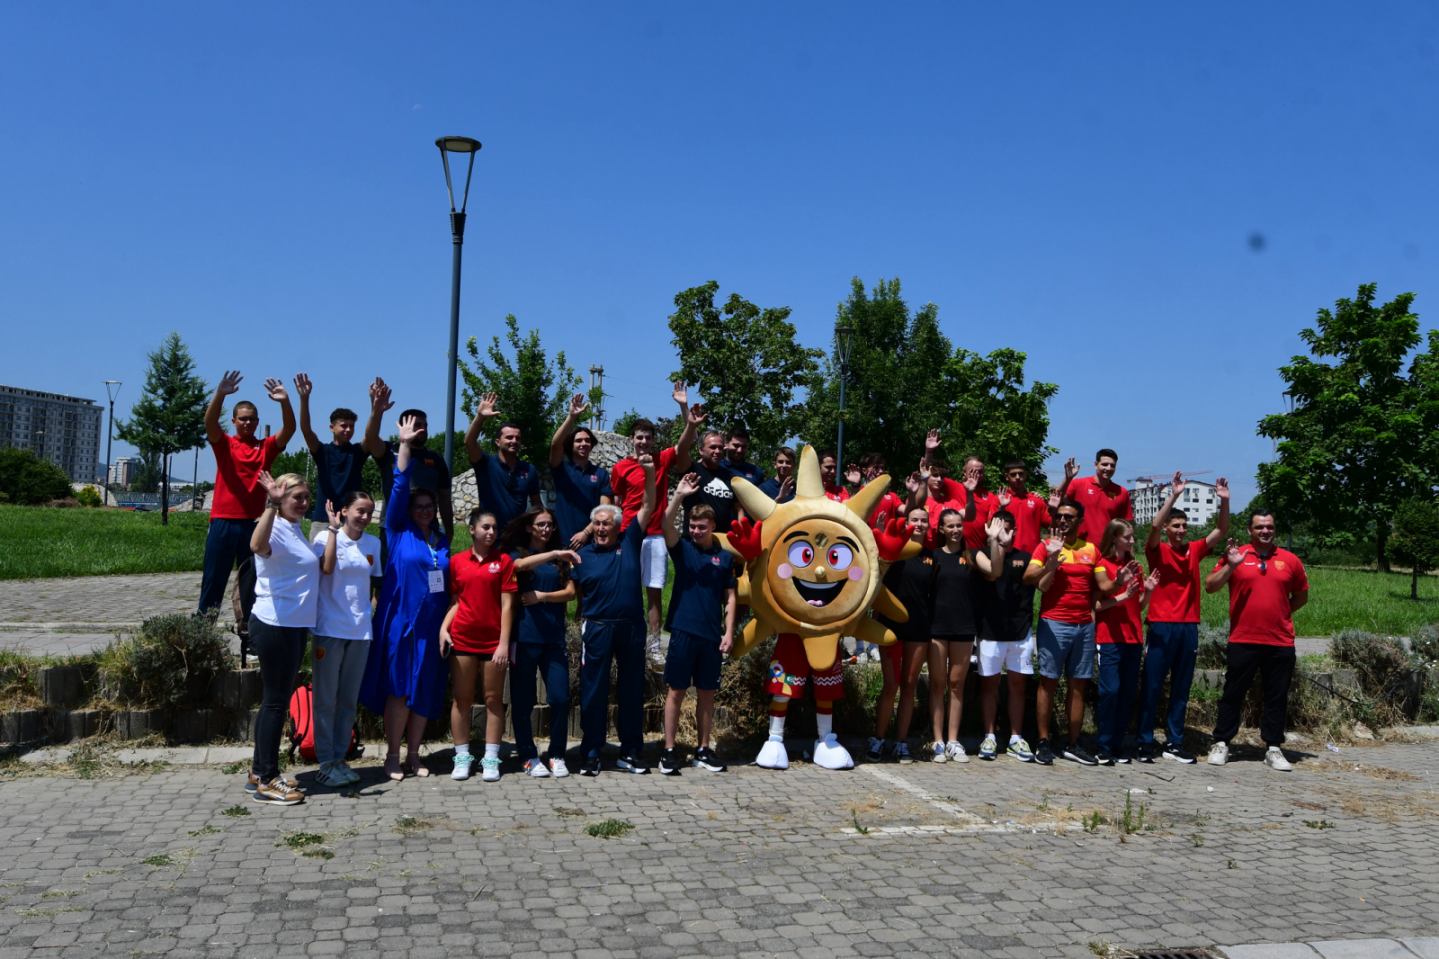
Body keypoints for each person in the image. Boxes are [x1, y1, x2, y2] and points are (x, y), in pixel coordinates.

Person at [359, 414, 451, 781]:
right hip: (400, 621)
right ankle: (393, 756)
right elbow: (399, 486)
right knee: (398, 689)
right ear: (410, 511)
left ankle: (415, 754)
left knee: (424, 688)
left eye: (430, 507)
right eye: (420, 507)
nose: (426, 511)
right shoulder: (398, 531)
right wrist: (404, 445)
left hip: (431, 626)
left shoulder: (440, 540)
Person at [570, 455, 658, 776]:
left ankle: (630, 752)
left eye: (607, 523)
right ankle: (592, 752)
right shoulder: (582, 556)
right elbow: (573, 594)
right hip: (597, 628)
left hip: (631, 628)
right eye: (597, 523)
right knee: (593, 691)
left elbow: (648, 504)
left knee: (631, 690)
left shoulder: (630, 540)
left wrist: (649, 473)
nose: (602, 528)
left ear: (618, 525)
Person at [1136, 472, 1231, 764]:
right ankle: (1144, 741)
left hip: (1188, 627)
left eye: (1184, 526)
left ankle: (1174, 742)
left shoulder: (1194, 550)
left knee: (1181, 687)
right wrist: (1174, 495)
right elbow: (1153, 526)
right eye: (1176, 525)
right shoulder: (1157, 550)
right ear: (1167, 528)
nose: (1181, 530)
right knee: (1152, 686)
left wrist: (1224, 501)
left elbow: (1221, 530)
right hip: (1161, 626)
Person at [1205, 512, 1309, 772]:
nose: (1265, 531)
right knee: (1233, 693)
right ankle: (1221, 742)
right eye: (1259, 527)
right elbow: (1210, 586)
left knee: (1277, 696)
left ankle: (1273, 747)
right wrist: (1231, 565)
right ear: (1250, 530)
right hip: (1243, 638)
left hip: (1280, 640)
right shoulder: (1236, 555)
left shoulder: (1290, 560)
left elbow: (1301, 596)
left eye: (1270, 527)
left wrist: (1280, 614)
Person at [197, 371, 294, 628]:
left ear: (258, 421)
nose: (247, 423)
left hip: (253, 525)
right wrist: (220, 394)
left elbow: (289, 430)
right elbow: (209, 423)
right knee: (213, 581)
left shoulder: (265, 448)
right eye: (243, 419)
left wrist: (285, 401)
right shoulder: (225, 444)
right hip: (223, 522)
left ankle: (249, 634)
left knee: (251, 583)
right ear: (234, 421)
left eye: (252, 419)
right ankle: (202, 631)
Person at [610, 382, 700, 655]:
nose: (644, 442)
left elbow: (687, 442)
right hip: (628, 533)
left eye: (648, 438)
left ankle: (653, 644)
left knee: (654, 590)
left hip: (656, 535)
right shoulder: (620, 467)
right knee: (625, 587)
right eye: (639, 437)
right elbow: (617, 502)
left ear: (653, 441)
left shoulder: (661, 459)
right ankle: (626, 638)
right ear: (632, 439)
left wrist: (684, 407)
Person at [657, 473, 738, 775]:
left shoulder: (725, 558)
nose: (695, 531)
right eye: (692, 526)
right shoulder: (683, 549)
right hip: (683, 631)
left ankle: (703, 749)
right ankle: (668, 751)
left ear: (713, 526)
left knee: (707, 694)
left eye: (701, 527)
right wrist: (678, 496)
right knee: (676, 692)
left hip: (711, 636)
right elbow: (666, 525)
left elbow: (730, 598)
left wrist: (728, 633)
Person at [245, 471, 317, 806]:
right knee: (275, 703)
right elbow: (257, 546)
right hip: (275, 623)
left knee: (273, 700)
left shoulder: (294, 527)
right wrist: (271, 506)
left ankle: (259, 771)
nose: (303, 502)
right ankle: (268, 779)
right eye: (296, 497)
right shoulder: (273, 523)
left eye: (306, 497)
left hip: (293, 624)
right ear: (280, 498)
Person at [310, 490, 382, 789]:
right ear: (344, 511)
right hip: (329, 629)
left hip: (360, 631)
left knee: (348, 700)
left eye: (369, 512)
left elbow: (375, 584)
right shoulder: (325, 538)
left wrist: (368, 612)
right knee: (325, 699)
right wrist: (332, 529)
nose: (364, 517)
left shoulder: (373, 544)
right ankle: (325, 762)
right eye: (359, 511)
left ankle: (340, 758)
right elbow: (324, 570)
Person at [439, 509, 516, 783]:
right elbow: (456, 601)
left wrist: (503, 644)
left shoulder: (504, 561)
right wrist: (443, 628)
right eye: (485, 527)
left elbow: (508, 606)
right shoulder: (457, 562)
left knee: (493, 699)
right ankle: (462, 757)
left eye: (494, 527)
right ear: (472, 529)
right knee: (462, 699)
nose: (491, 532)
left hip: (494, 643)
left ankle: (491, 758)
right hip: (462, 640)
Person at [502, 510, 581, 778]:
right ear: (529, 527)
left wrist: (542, 596)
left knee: (560, 698)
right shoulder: (519, 553)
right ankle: (528, 755)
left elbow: (570, 593)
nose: (547, 529)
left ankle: (557, 754)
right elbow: (518, 567)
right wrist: (556, 553)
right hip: (525, 638)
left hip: (553, 639)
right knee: (523, 701)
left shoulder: (561, 560)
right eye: (541, 524)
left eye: (550, 525)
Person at [1023, 500, 1101, 766]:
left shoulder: (1091, 549)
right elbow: (1029, 576)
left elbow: (1102, 584)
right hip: (1054, 623)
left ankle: (1073, 743)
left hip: (1084, 625)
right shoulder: (1045, 545)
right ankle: (1043, 742)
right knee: (1048, 682)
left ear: (1080, 521)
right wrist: (1052, 560)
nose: (1063, 521)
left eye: (1069, 517)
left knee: (1079, 684)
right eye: (1059, 516)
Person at [869, 506, 935, 763]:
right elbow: (876, 576)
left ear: (929, 525)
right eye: (914, 519)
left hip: (919, 628)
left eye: (923, 520)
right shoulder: (893, 550)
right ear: (906, 522)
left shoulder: (931, 556)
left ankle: (901, 742)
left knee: (909, 686)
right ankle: (878, 739)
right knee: (891, 685)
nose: (919, 524)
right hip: (890, 626)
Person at [1092, 520, 1159, 765]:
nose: (1132, 541)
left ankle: (1117, 745)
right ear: (1114, 538)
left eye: (1132, 537)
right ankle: (1103, 745)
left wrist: (1148, 591)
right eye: (1127, 537)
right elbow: (1096, 604)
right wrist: (1121, 590)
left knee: (1127, 693)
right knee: (1110, 691)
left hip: (1133, 637)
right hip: (1109, 638)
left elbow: (1137, 605)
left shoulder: (1135, 566)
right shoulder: (1102, 564)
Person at [975, 509, 1037, 762]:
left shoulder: (1025, 557)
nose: (1003, 534)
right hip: (990, 633)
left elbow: (1042, 583)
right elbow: (995, 572)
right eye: (999, 529)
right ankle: (989, 736)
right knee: (989, 686)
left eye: (1007, 529)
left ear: (1015, 531)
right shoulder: (979, 554)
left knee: (1018, 687)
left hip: (1020, 633)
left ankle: (1015, 738)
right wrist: (995, 543)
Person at [293, 373, 378, 528]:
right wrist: (304, 398)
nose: (348, 429)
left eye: (351, 426)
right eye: (343, 426)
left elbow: (371, 435)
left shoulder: (357, 452)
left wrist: (375, 405)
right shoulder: (322, 451)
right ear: (332, 427)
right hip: (323, 519)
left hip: (351, 520)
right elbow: (306, 430)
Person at [465, 393, 543, 535]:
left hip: (517, 536)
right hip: (489, 535)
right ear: (498, 442)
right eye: (509, 437)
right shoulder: (485, 464)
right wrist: (480, 417)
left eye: (517, 438)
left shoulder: (529, 469)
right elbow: (469, 442)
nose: (514, 441)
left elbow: (536, 504)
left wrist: (539, 526)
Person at [548, 393, 614, 547]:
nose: (583, 443)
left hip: (591, 541)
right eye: (578, 441)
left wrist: (585, 533)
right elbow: (555, 445)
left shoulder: (601, 474)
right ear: (571, 445)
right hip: (561, 540)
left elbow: (604, 508)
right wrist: (571, 417)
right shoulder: (561, 468)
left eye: (587, 440)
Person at [377, 406, 453, 538]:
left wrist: (449, 530)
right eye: (417, 425)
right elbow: (370, 438)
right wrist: (376, 411)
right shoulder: (389, 451)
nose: (423, 429)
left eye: (425, 425)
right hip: (395, 528)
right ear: (403, 426)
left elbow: (444, 497)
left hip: (428, 527)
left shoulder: (435, 458)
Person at [1062, 449, 1132, 545]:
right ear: (1096, 464)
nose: (1109, 468)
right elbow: (1057, 500)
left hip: (1107, 549)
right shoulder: (1078, 484)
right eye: (1105, 464)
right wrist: (1067, 479)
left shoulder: (1122, 492)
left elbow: (1126, 526)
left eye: (1112, 465)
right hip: (1079, 547)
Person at [995, 460, 1059, 555]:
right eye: (1013, 474)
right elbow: (990, 527)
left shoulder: (1037, 500)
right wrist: (1002, 508)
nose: (1017, 477)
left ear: (1026, 475)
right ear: (1006, 477)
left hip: (1032, 554)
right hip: (1006, 553)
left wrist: (1054, 510)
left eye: (1021, 474)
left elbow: (1052, 528)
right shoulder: (999, 499)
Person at [682, 430, 740, 532]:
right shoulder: (691, 470)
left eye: (720, 448)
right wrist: (691, 426)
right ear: (701, 450)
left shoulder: (730, 477)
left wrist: (741, 531)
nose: (717, 451)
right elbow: (681, 451)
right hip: (694, 537)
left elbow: (738, 508)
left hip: (723, 539)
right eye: (713, 447)